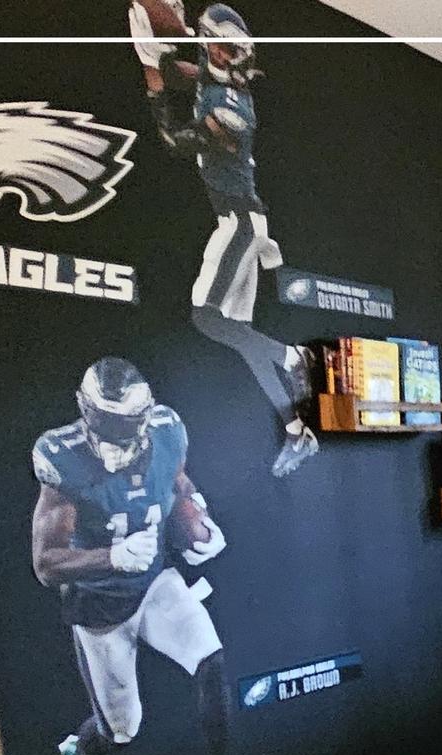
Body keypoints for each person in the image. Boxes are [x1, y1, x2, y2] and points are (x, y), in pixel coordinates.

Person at [29, 356, 248, 755]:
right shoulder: (61, 456)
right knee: (122, 730)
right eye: (106, 425)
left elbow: (176, 480)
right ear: (85, 411)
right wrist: (111, 556)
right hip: (99, 608)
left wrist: (196, 519)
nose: (116, 440)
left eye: (125, 425)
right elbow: (46, 564)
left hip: (152, 582)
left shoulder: (168, 430)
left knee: (210, 658)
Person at [153, 2, 319, 477]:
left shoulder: (232, 109)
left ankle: (291, 356)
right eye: (222, 46)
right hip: (244, 221)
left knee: (205, 318)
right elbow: (193, 72)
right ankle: (295, 432)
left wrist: (157, 88)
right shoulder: (218, 81)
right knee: (243, 341)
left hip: (239, 222)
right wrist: (164, 58)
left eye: (233, 50)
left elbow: (173, 140)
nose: (227, 56)